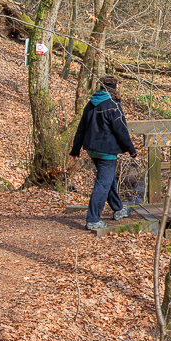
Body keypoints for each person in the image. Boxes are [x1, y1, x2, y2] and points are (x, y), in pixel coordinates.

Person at [70, 75, 138, 231]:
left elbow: (81, 130)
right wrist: (131, 150)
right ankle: (93, 219)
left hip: (92, 150)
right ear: (115, 89)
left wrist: (75, 150)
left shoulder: (90, 104)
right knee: (102, 184)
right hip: (107, 151)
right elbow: (121, 131)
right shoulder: (112, 106)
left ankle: (118, 209)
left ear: (100, 87)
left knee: (108, 181)